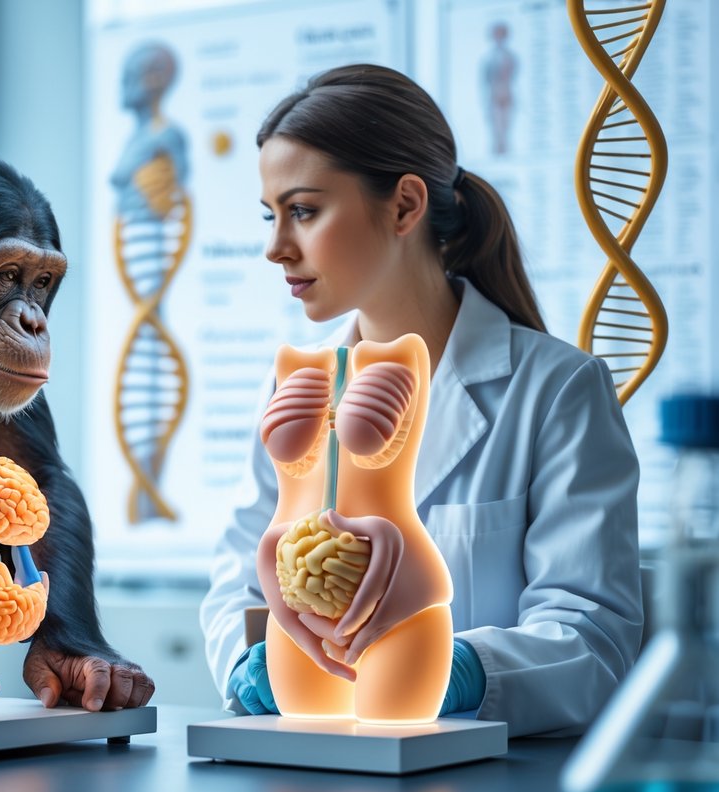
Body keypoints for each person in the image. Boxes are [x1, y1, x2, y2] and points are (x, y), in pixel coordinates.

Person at [199, 64, 642, 738]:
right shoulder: (295, 392)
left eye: (304, 211)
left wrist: (454, 669)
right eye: (270, 215)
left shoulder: (554, 389)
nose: (274, 248)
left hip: (492, 784)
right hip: (319, 767)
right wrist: (245, 660)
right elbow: (238, 576)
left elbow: (591, 635)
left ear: (404, 206)